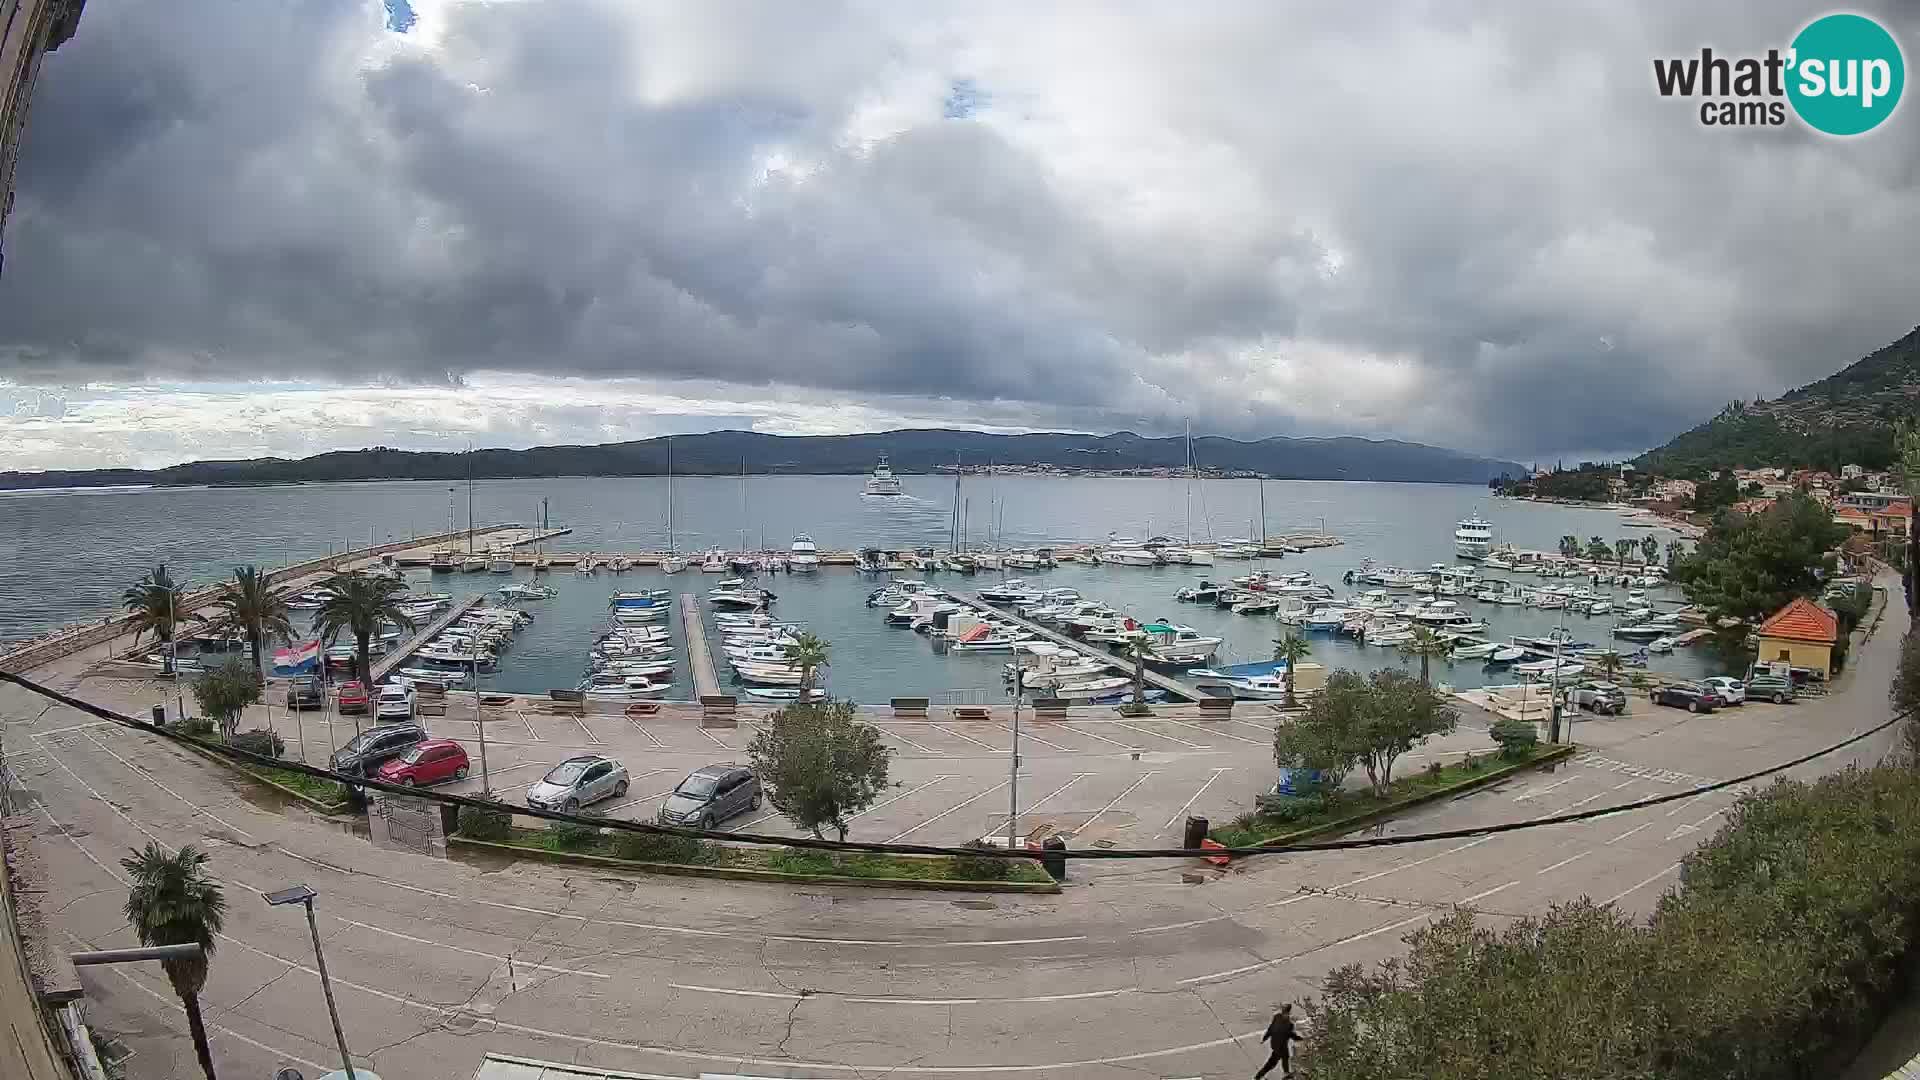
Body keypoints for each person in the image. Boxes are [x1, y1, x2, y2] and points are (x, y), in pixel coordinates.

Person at [1254, 1003, 1302, 1078]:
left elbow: (1270, 1028)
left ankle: (1286, 1073)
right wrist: (1301, 1038)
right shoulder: (1289, 1024)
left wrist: (1265, 1038)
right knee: (1272, 1063)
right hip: (1280, 1047)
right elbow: (1291, 1035)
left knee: (1285, 1057)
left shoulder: (1277, 1017)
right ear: (1289, 1012)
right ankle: (1259, 1076)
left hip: (1274, 1044)